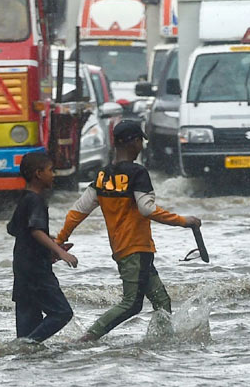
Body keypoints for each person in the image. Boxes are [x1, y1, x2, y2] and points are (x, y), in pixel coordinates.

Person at [55, 120, 201, 341]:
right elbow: (147, 209)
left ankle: (163, 342)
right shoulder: (138, 173)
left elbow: (77, 211)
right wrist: (184, 221)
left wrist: (59, 241)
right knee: (131, 304)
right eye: (140, 140)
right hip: (137, 248)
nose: (142, 145)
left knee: (162, 301)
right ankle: (88, 338)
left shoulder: (102, 176)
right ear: (133, 142)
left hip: (122, 250)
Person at [7, 151, 78, 344]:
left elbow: (15, 229)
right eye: (50, 170)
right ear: (38, 173)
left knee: (27, 321)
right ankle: (26, 346)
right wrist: (60, 252)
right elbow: (35, 231)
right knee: (62, 313)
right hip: (37, 270)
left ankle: (23, 351)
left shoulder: (24, 199)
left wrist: (50, 244)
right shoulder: (37, 200)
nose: (53, 174)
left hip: (22, 267)